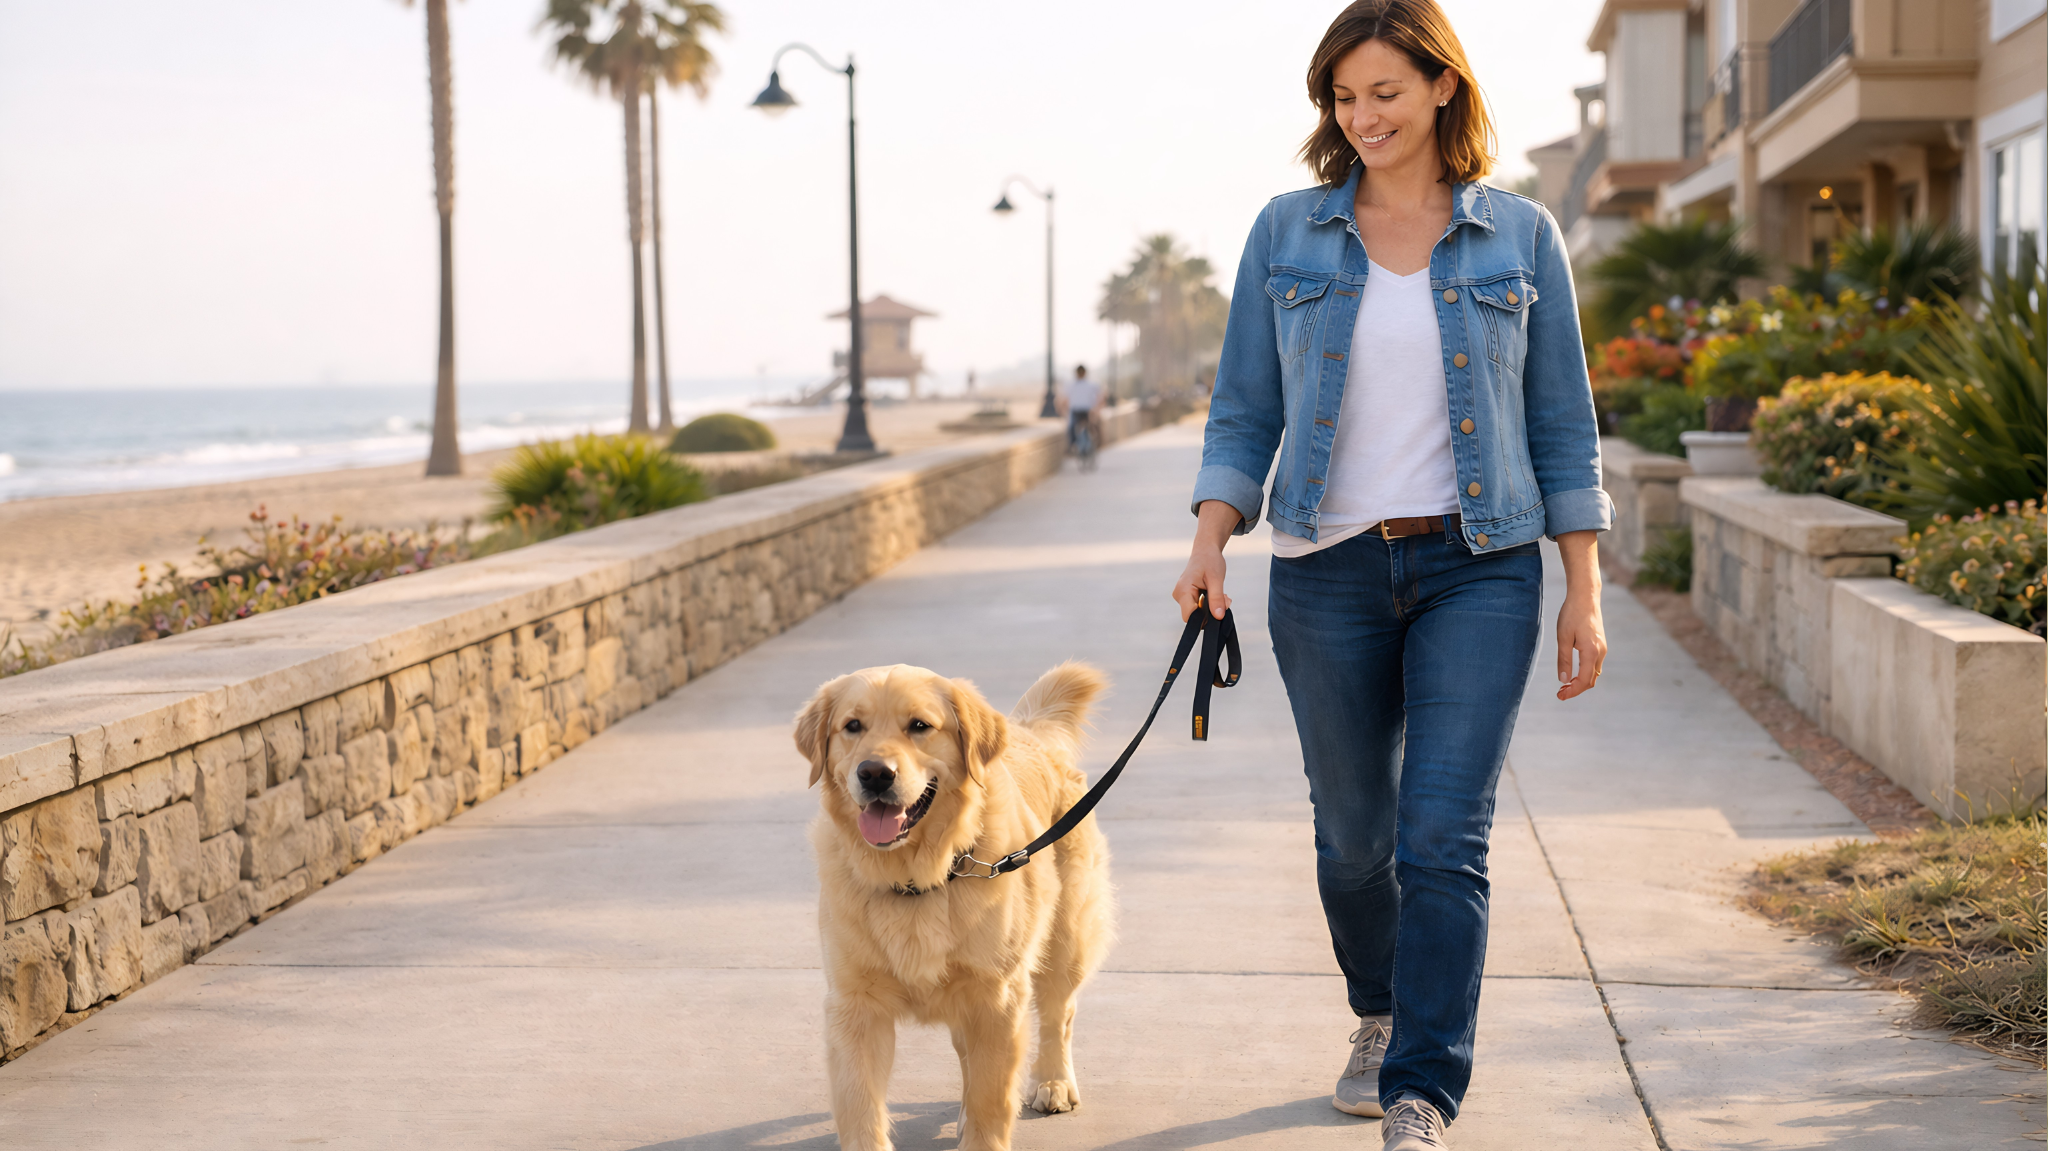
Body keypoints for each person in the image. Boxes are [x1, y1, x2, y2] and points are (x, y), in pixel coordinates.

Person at [1170, 3, 1610, 1148]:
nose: (1360, 117)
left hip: (1480, 566)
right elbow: (1244, 407)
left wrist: (1585, 585)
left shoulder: (1518, 236)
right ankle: (1375, 1011)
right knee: (1354, 837)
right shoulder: (1287, 234)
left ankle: (1420, 1086)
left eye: (1385, 93)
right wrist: (1211, 537)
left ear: (1441, 91)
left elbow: (1562, 424)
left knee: (1441, 835)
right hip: (1326, 569)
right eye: (1342, 96)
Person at [1058, 363, 1102, 450]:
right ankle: (1076, 445)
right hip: (1081, 410)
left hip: (1083, 411)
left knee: (1077, 427)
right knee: (1074, 427)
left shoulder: (1085, 384)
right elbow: (1101, 396)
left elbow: (1063, 400)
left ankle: (1076, 446)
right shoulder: (1086, 384)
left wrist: (1096, 407)